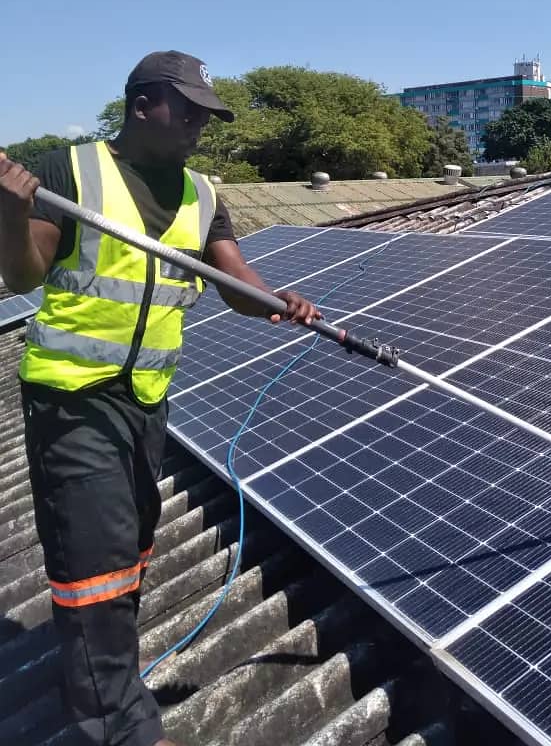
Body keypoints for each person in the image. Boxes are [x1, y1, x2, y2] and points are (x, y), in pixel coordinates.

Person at [0, 51, 320, 746]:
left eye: (207, 113)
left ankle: (104, 674)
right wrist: (11, 214)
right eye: (190, 110)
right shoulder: (68, 172)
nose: (201, 125)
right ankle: (121, 728)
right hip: (71, 398)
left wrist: (275, 301)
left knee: (132, 552)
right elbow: (24, 272)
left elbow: (233, 281)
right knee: (93, 566)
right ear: (143, 105)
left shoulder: (203, 194)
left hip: (146, 400)